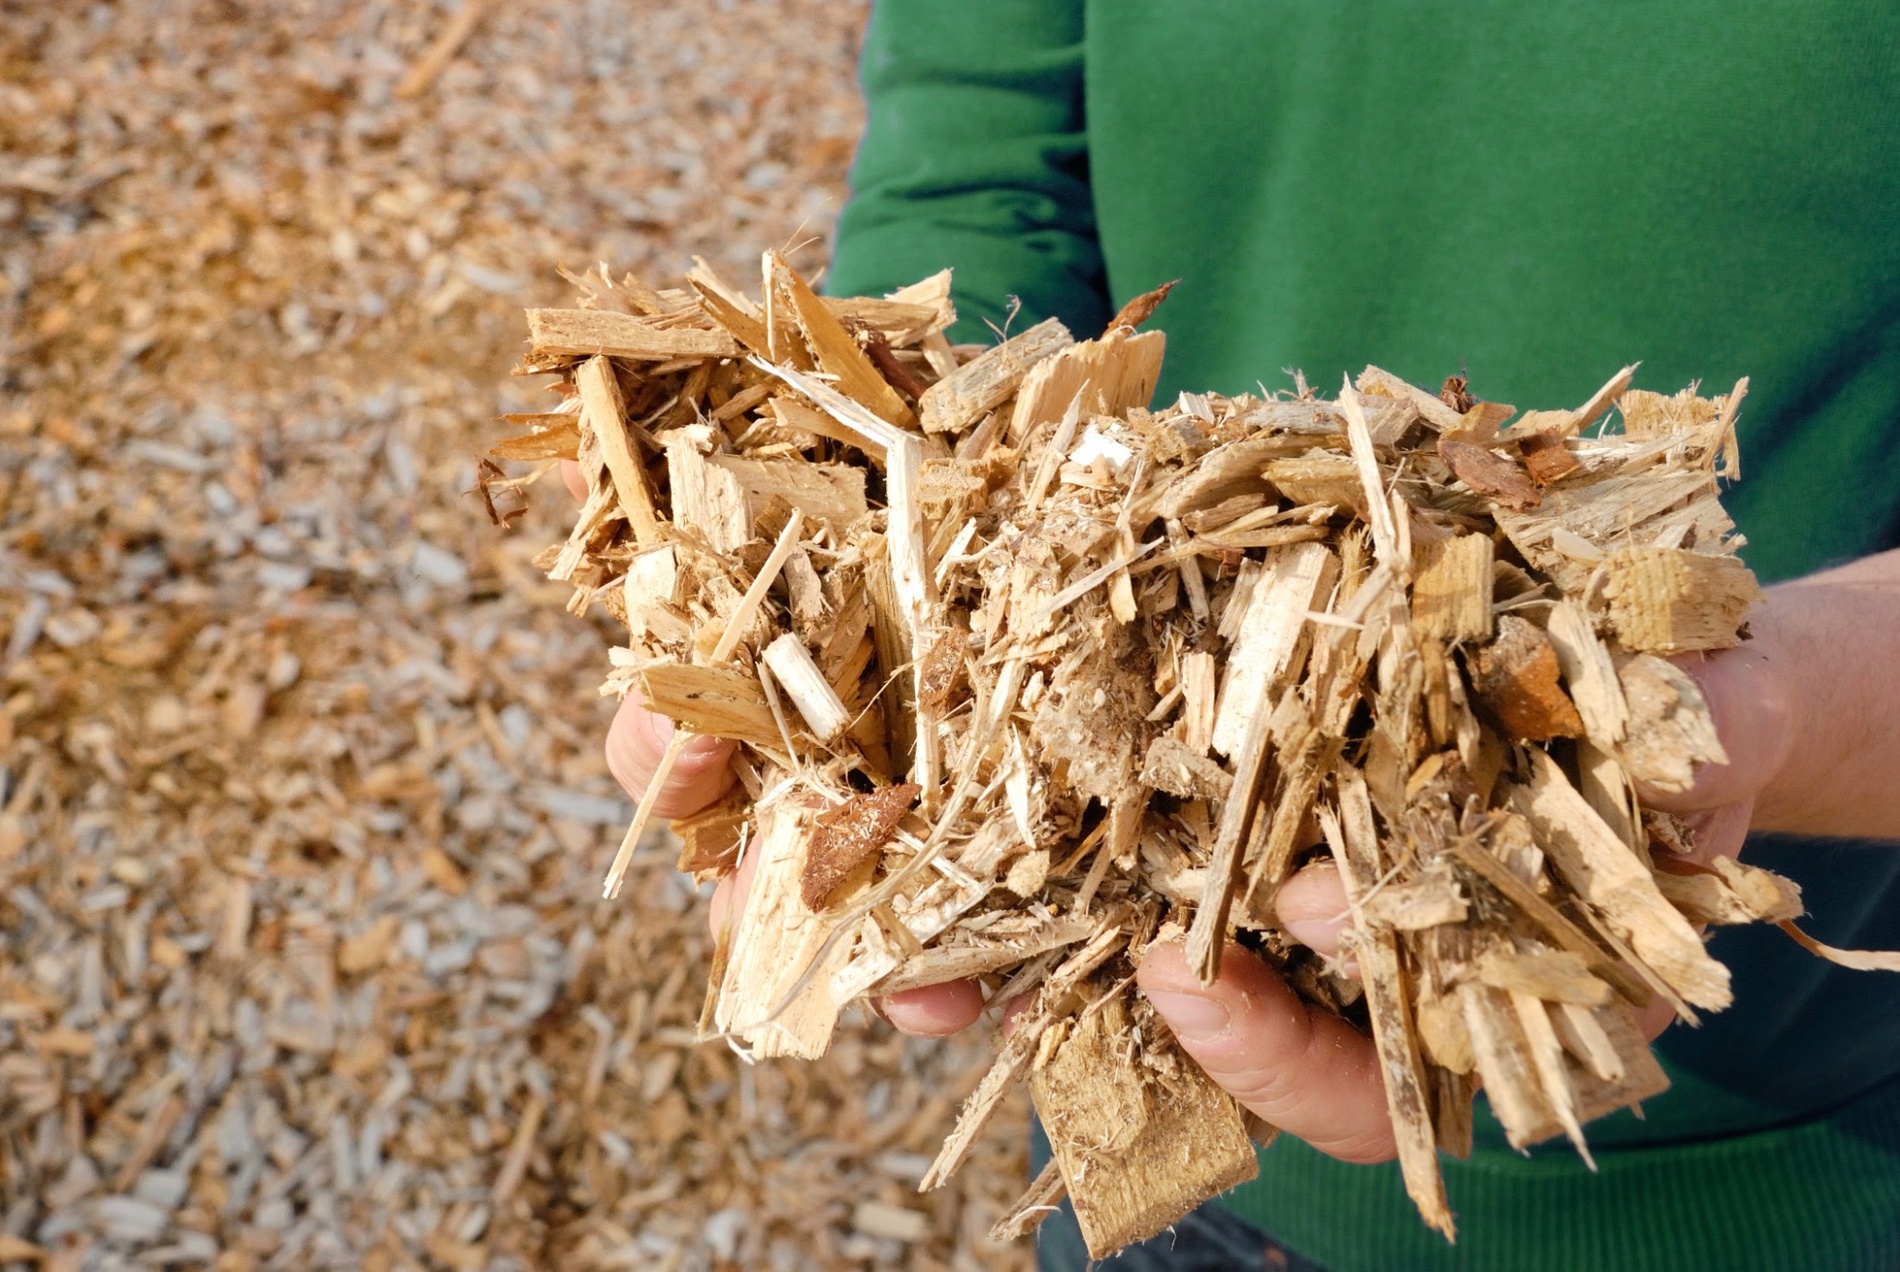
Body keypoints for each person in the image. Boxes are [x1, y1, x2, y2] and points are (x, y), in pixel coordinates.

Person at [607, 5, 1900, 1268]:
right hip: (1154, 1058)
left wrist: (1757, 706)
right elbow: (986, 160)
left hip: (1770, 1172)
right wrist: (864, 540)